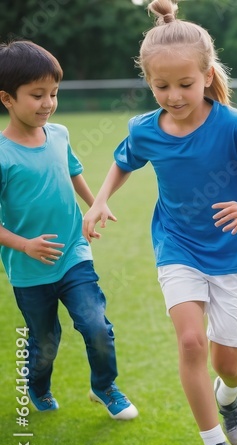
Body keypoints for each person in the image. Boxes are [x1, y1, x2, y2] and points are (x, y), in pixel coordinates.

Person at [83, 0, 237, 445]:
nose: (173, 96)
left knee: (229, 362)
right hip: (177, 246)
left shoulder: (234, 125)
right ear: (148, 82)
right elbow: (124, 159)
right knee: (189, 342)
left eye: (184, 84)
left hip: (230, 253)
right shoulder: (145, 129)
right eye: (161, 86)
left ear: (206, 75)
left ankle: (230, 397)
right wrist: (99, 200)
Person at [0, 40, 138, 421]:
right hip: (29, 269)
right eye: (37, 95)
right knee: (45, 342)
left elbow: (73, 170)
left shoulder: (58, 134)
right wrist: (24, 245)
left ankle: (104, 386)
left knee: (96, 324)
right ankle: (38, 387)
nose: (48, 103)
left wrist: (96, 203)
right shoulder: (2, 155)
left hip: (74, 252)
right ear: (7, 98)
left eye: (54, 94)